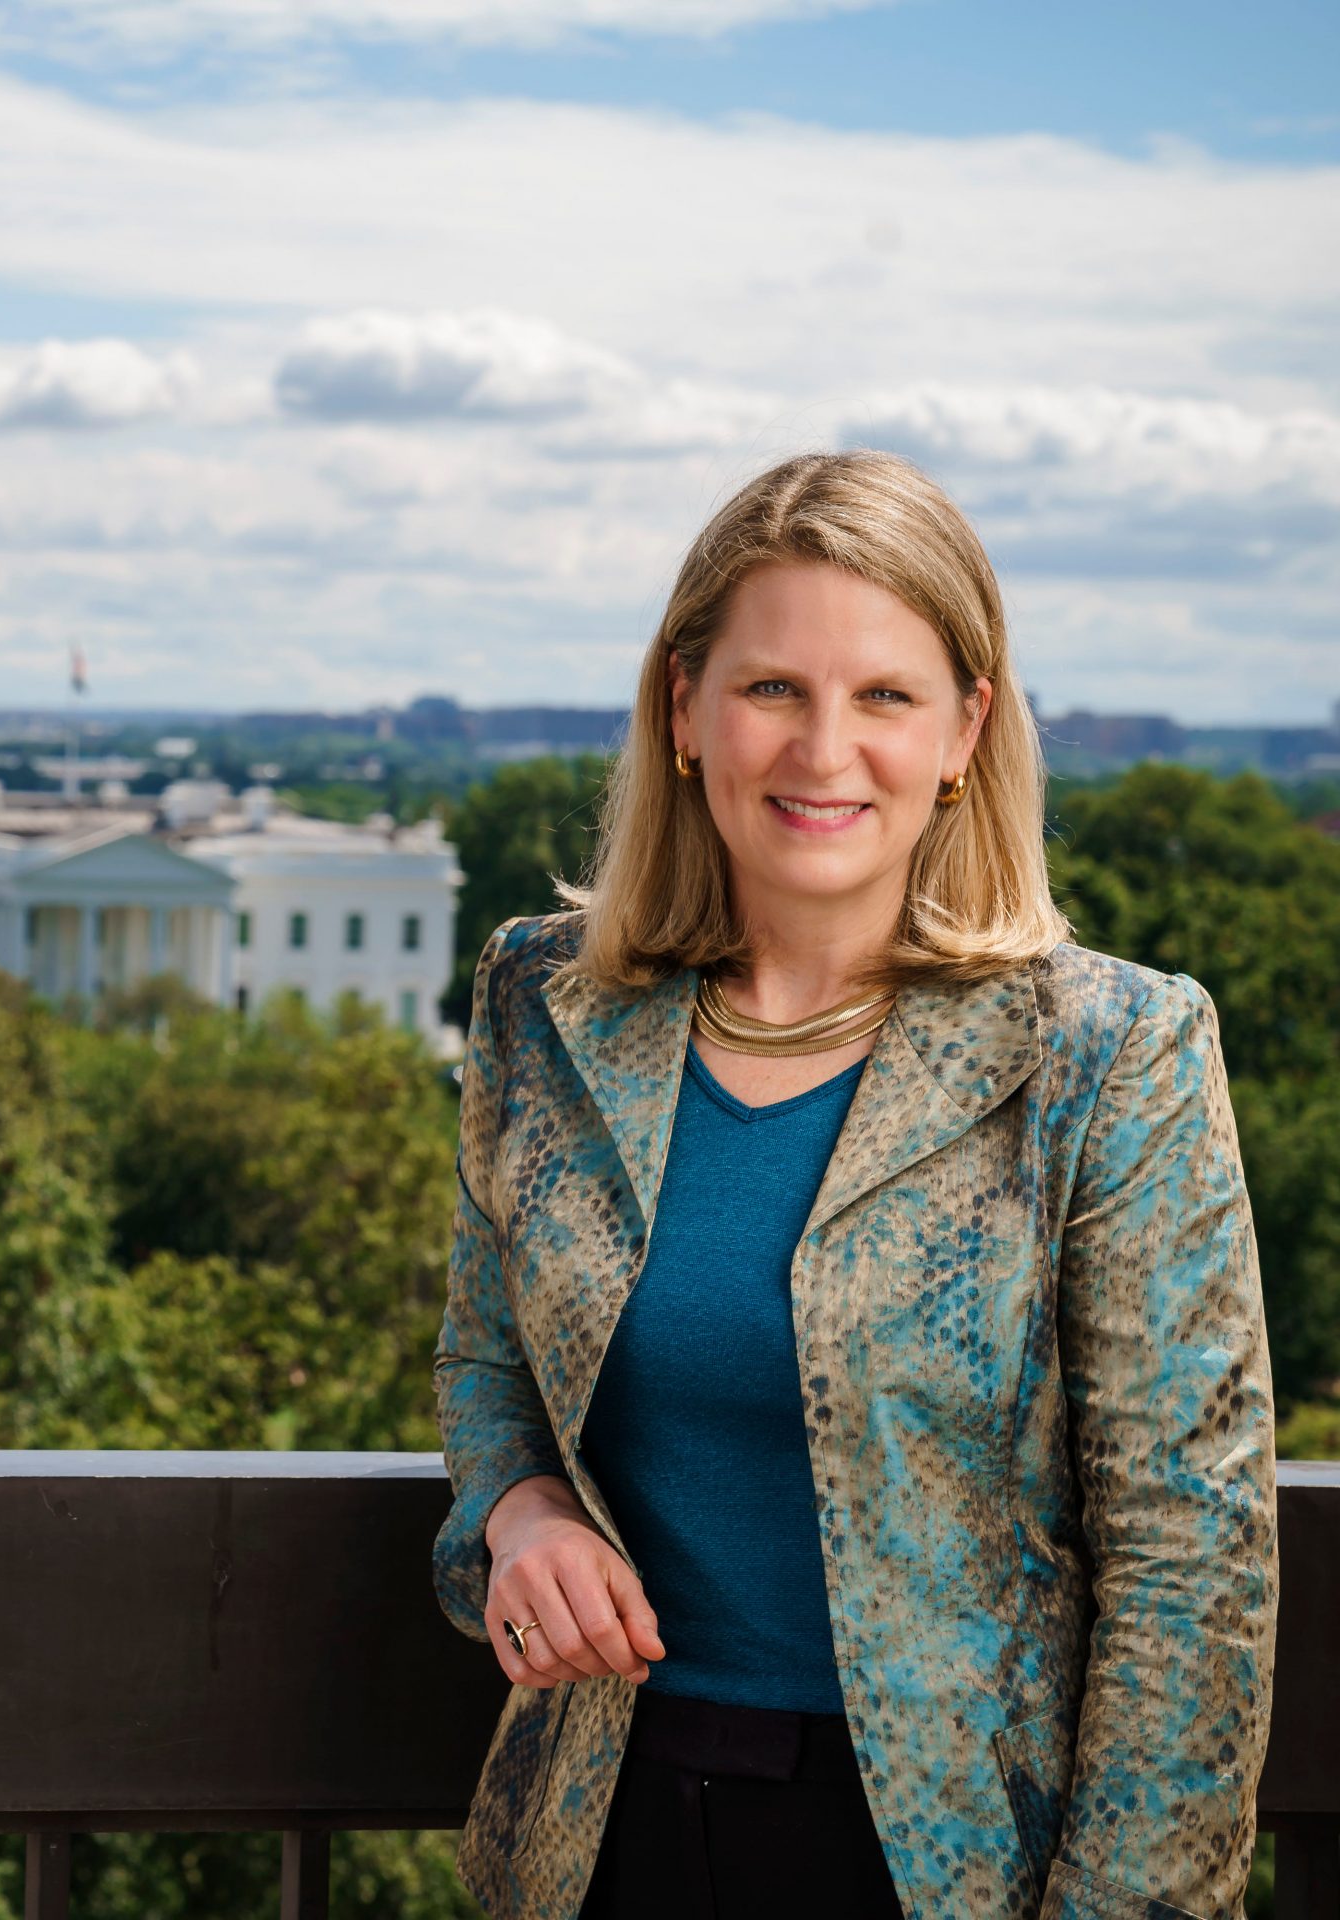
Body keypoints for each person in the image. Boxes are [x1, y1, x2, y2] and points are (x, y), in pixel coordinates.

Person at [428, 450, 1278, 1919]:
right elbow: (487, 1356)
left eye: (884, 694)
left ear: (966, 729)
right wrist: (517, 1508)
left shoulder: (1111, 1054)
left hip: (957, 1872)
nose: (824, 749)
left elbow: (1188, 1570)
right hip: (596, 1840)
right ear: (684, 709)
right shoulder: (541, 999)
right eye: (772, 689)